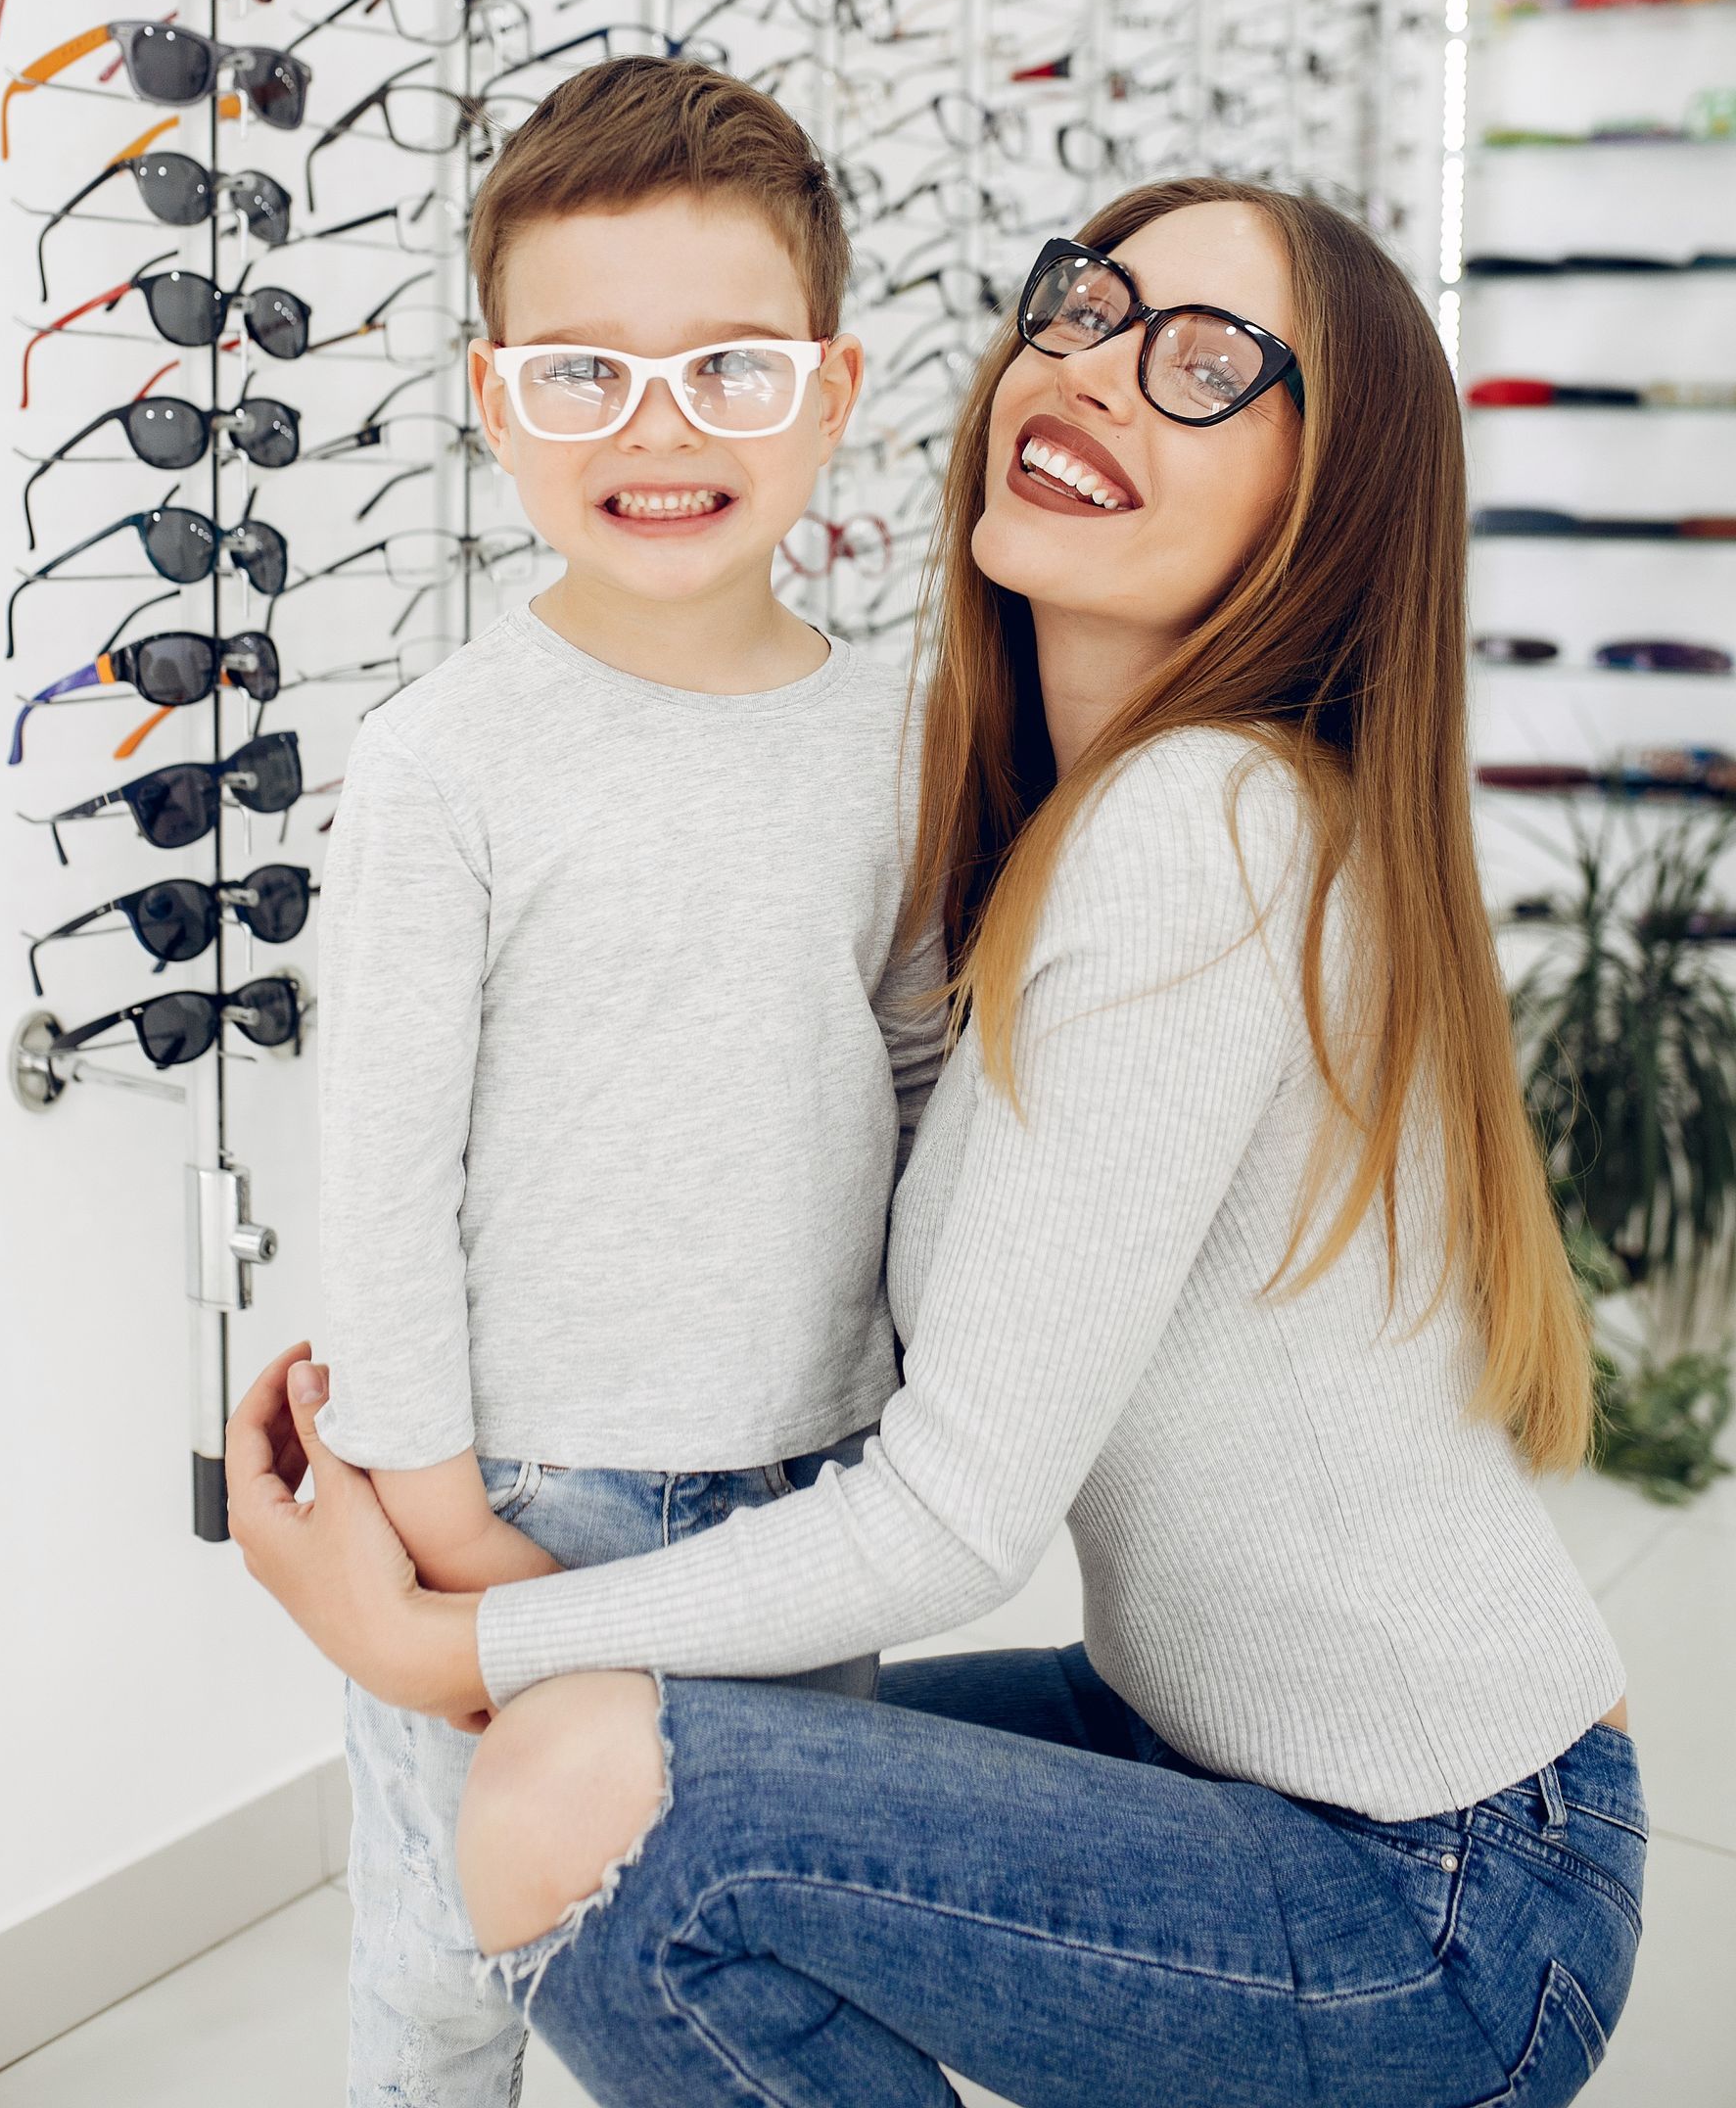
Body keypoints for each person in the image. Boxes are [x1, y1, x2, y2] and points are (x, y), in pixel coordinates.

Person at [232, 178, 1642, 2108]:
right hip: (1274, 1762)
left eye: (1208, 362)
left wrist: (442, 1636)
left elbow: (949, 1521)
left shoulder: (1197, 834)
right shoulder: (1051, 809)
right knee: (642, 1743)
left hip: (1434, 1897)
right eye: (1086, 307)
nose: (1098, 371)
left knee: (579, 1796)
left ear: (1332, 495)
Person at [312, 55, 940, 2105]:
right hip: (519, 1483)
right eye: (582, 372)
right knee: (452, 1964)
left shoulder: (903, 746)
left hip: (806, 1487)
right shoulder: (446, 760)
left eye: (728, 370)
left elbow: (922, 1076)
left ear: (832, 391)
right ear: (497, 403)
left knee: (743, 1955)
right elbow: (385, 1169)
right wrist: (437, 1525)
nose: (657, 429)